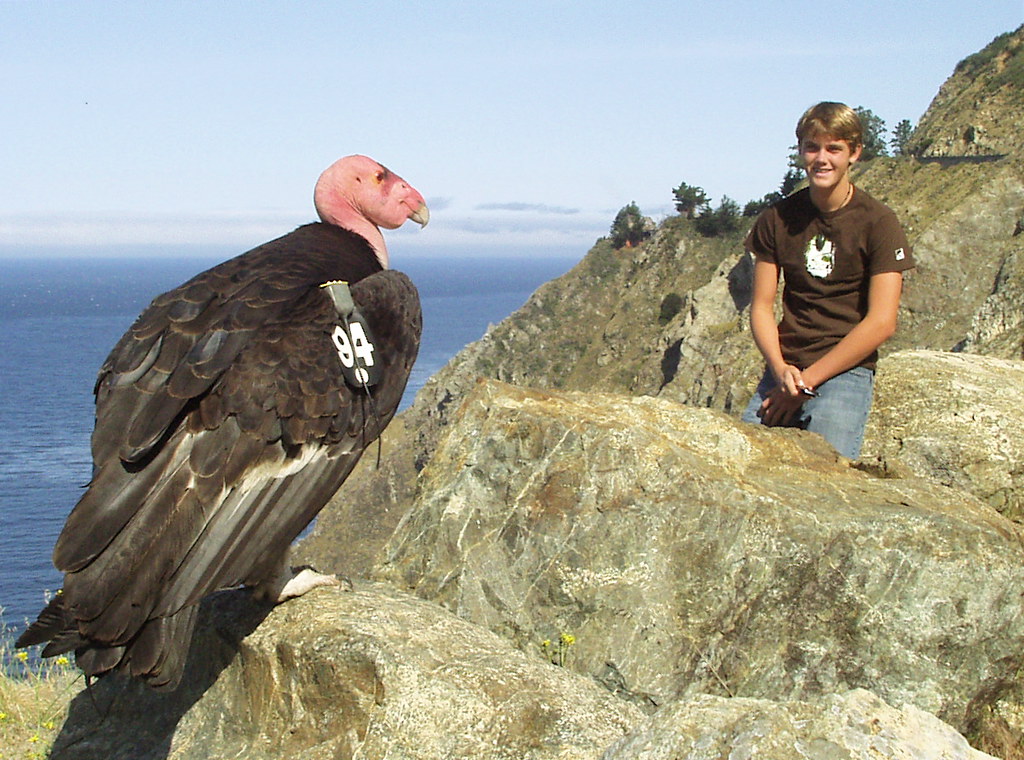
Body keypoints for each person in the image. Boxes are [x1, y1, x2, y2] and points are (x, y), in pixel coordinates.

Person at [740, 102, 915, 459]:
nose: (822, 158)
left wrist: (808, 381)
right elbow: (760, 306)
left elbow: (882, 322)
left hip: (844, 370)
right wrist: (780, 370)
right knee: (740, 462)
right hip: (786, 368)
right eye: (812, 147)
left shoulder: (879, 222)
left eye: (834, 148)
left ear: (854, 153)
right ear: (801, 150)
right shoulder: (777, 219)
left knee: (824, 470)